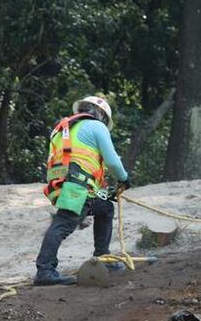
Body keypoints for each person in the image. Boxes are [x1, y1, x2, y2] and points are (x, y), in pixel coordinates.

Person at [35, 95, 130, 286]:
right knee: (64, 223)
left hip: (61, 184)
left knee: (105, 208)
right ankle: (44, 270)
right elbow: (112, 161)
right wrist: (124, 179)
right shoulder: (96, 126)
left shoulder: (63, 129)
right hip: (77, 185)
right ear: (102, 115)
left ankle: (102, 257)